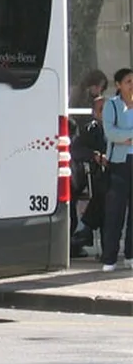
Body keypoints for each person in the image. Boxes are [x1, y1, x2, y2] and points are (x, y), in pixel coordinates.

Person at [100, 68, 133, 271]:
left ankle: (131, 255)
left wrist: (127, 137)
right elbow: (111, 133)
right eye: (128, 81)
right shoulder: (111, 105)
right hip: (119, 165)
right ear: (119, 85)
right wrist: (127, 137)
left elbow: (122, 136)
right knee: (115, 213)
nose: (132, 85)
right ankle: (110, 258)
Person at [70, 94, 109, 256]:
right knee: (105, 193)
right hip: (102, 175)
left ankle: (86, 229)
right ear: (94, 113)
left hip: (124, 173)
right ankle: (86, 230)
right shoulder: (90, 130)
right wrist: (96, 156)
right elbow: (76, 150)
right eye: (101, 110)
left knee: (106, 194)